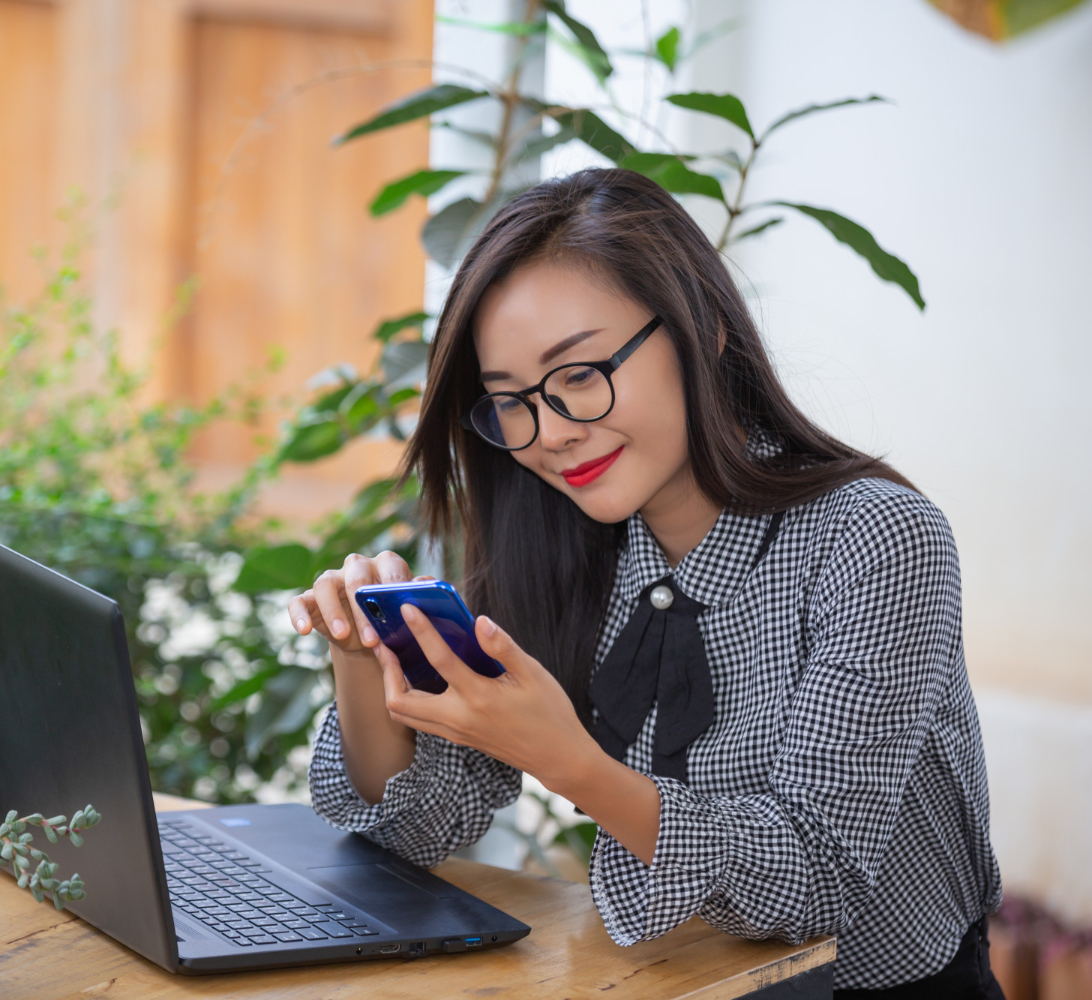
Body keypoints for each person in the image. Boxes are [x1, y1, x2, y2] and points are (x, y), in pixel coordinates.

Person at [287, 169, 1003, 997]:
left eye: (581, 374)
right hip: (668, 983)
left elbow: (816, 883)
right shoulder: (551, 543)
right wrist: (357, 656)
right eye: (510, 401)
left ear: (705, 328)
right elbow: (421, 825)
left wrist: (571, 762)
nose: (550, 434)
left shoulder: (875, 539)